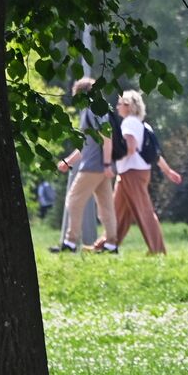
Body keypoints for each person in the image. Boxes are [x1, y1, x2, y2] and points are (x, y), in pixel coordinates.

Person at [90, 89, 182, 255]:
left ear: (129, 106)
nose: (117, 107)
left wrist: (110, 162)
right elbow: (154, 154)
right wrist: (168, 171)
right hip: (133, 172)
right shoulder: (142, 125)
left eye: (120, 104)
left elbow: (131, 148)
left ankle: (157, 250)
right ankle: (106, 245)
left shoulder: (129, 123)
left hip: (132, 173)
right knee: (117, 211)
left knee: (144, 211)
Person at [50, 78, 119, 254]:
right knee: (105, 206)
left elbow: (107, 137)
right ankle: (111, 244)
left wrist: (105, 163)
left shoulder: (92, 110)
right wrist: (69, 161)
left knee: (74, 201)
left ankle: (70, 243)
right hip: (101, 166)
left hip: (93, 166)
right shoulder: (100, 109)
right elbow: (86, 144)